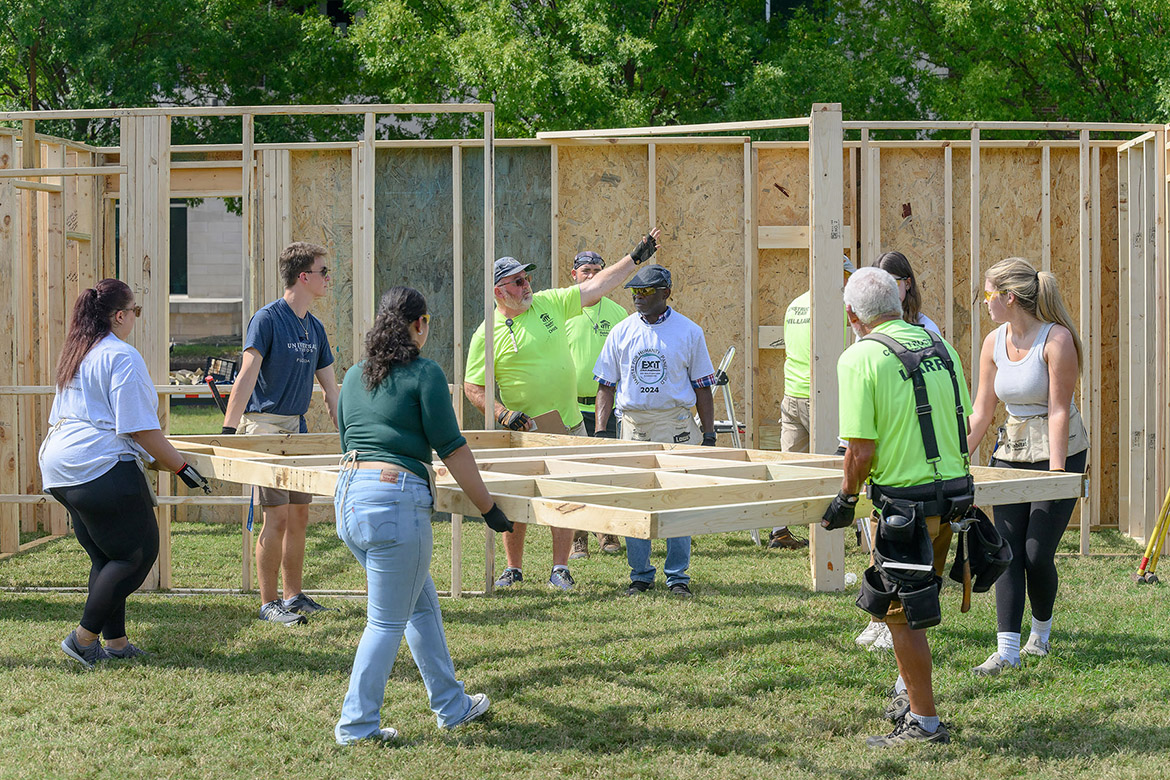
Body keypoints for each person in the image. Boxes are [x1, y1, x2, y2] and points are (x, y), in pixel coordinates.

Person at [334, 287, 512, 744]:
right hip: (395, 503)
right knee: (386, 622)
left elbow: (348, 441)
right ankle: (357, 726)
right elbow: (452, 449)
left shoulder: (355, 376)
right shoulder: (425, 373)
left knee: (417, 606)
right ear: (420, 324)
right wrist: (488, 508)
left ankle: (452, 706)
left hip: (351, 499)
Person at [821, 267, 973, 746]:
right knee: (910, 604)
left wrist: (845, 498)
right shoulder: (941, 347)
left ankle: (924, 724)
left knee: (902, 617)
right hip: (952, 500)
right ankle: (909, 697)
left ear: (852, 314)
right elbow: (962, 419)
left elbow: (860, 451)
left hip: (904, 507)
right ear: (898, 299)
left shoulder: (860, 358)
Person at [464, 228, 661, 591]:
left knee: (566, 496)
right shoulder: (486, 333)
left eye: (527, 278)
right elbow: (472, 387)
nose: (527, 285)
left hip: (568, 427)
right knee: (514, 499)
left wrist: (634, 259)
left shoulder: (549, 303)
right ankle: (513, 568)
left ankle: (560, 567)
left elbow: (597, 286)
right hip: (521, 432)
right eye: (518, 282)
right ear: (499, 292)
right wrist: (501, 413)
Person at [39, 279, 210, 668]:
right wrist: (182, 467)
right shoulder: (122, 355)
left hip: (60, 465)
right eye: (135, 311)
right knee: (136, 555)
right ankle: (83, 640)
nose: (135, 317)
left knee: (106, 558)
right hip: (98, 463)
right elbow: (139, 428)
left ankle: (115, 643)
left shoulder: (79, 351)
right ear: (120, 316)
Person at [966, 257, 1088, 676]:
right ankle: (1007, 650)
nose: (984, 302)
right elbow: (982, 412)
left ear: (1009, 297)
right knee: (1007, 552)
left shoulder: (1056, 340)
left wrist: (1055, 477)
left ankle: (1041, 633)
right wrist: (956, 457)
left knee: (1037, 555)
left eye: (987, 295)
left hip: (1059, 451)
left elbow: (1058, 410)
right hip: (1011, 453)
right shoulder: (992, 343)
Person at [220, 241, 341, 626]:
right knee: (277, 518)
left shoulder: (315, 328)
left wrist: (349, 435)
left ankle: (293, 596)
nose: (328, 279)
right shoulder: (267, 319)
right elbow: (247, 374)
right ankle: (268, 602)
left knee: (300, 516)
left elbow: (331, 391)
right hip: (264, 426)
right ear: (303, 277)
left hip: (297, 428)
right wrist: (229, 430)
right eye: (323, 272)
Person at [593, 264, 717, 598]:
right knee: (636, 503)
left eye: (646, 292)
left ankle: (677, 577)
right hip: (634, 426)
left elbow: (703, 386)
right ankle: (640, 574)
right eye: (635, 292)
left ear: (666, 293)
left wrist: (708, 434)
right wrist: (602, 431)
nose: (638, 298)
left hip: (675, 426)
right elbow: (606, 384)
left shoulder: (689, 332)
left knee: (678, 502)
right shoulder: (621, 331)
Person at [856, 251, 941, 652]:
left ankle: (897, 620)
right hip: (886, 454)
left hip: (913, 459)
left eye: (896, 279)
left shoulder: (926, 331)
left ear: (908, 283)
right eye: (882, 279)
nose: (891, 285)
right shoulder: (868, 336)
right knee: (880, 544)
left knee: (908, 554)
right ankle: (880, 619)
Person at [770, 256, 857, 550]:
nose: (848, 284)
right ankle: (829, 534)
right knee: (829, 468)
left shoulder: (796, 304)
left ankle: (779, 531)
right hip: (820, 396)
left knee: (788, 465)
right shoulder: (834, 306)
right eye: (845, 277)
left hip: (792, 393)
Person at [565, 250, 628, 560]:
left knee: (607, 472)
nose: (592, 276)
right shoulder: (562, 312)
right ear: (573, 275)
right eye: (586, 270)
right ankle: (578, 539)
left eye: (597, 270)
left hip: (607, 409)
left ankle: (607, 531)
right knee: (575, 475)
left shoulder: (618, 314)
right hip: (571, 409)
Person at [874, 251, 941, 335]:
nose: (884, 291)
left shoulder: (928, 330)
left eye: (892, 283)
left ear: (907, 283)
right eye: (878, 285)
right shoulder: (866, 330)